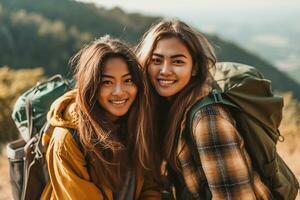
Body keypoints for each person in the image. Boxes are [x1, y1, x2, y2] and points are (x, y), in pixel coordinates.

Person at [136, 20, 272, 199]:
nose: (165, 70)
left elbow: (235, 196)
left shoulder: (207, 118)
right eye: (156, 60)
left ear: (195, 68)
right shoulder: (167, 108)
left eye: (177, 61)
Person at [41, 35, 161, 200]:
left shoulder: (138, 125)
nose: (119, 91)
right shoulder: (67, 138)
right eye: (107, 82)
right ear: (91, 86)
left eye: (128, 80)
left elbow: (151, 187)